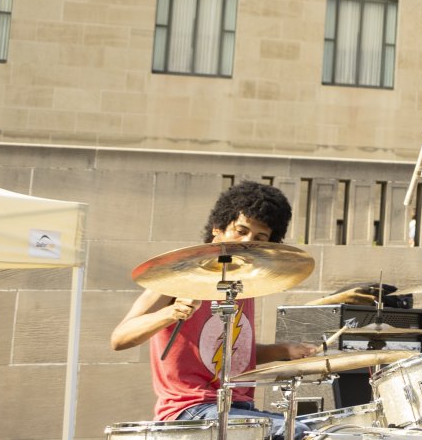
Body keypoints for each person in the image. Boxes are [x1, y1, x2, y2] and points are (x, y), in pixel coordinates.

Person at [109, 180, 314, 423]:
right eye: (241, 231)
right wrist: (172, 312)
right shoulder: (179, 276)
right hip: (190, 409)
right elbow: (120, 338)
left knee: (312, 431)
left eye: (259, 237)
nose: (247, 242)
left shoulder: (245, 285)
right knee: (295, 432)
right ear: (218, 227)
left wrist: (284, 350)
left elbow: (230, 355)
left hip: (238, 407)